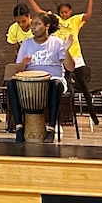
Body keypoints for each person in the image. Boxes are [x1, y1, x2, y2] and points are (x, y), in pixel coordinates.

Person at [23, 0, 100, 126]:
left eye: (66, 12)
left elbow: (88, 15)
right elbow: (39, 11)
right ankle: (64, 117)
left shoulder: (75, 20)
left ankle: (94, 116)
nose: (64, 14)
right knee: (65, 88)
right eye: (62, 12)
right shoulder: (56, 20)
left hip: (76, 57)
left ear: (70, 11)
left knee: (84, 88)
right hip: (61, 58)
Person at [6, 13, 75, 144]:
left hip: (53, 80)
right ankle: (19, 127)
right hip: (30, 82)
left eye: (37, 24)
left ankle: (51, 129)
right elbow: (17, 68)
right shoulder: (26, 44)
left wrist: (66, 51)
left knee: (55, 84)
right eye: (32, 24)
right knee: (11, 84)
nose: (33, 27)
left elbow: (70, 67)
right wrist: (23, 64)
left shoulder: (57, 43)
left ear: (47, 26)